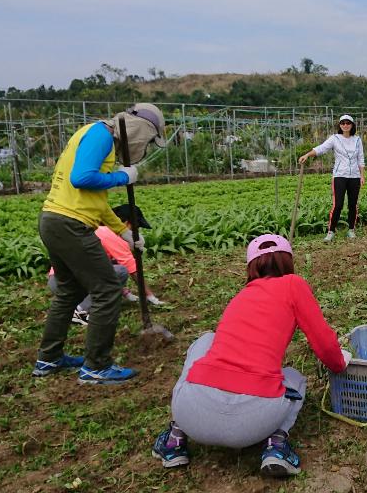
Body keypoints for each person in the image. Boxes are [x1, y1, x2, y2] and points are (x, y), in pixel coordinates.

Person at [152, 234, 350, 477]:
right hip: (254, 422)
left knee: (205, 341)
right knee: (294, 378)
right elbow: (325, 344)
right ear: (288, 262)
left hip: (192, 415)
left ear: (251, 266)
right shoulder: (293, 284)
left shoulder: (241, 296)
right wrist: (340, 364)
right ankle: (276, 445)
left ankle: (175, 439)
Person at [33, 103, 166, 385]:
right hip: (70, 225)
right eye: (149, 140)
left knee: (69, 291)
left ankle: (49, 358)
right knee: (107, 288)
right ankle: (97, 366)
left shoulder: (97, 136)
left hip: (54, 221)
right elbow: (81, 178)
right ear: (141, 131)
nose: (146, 147)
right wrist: (121, 177)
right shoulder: (101, 135)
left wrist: (125, 233)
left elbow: (98, 202)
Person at [46, 204, 163, 327]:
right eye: (136, 227)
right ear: (127, 223)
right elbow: (132, 269)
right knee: (121, 271)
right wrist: (150, 296)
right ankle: (80, 310)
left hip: (59, 281)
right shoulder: (110, 234)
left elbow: (103, 267)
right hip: (70, 282)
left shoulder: (95, 229)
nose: (135, 232)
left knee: (111, 266)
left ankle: (77, 304)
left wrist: (125, 293)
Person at [298, 114, 366, 242]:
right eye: (343, 123)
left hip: (354, 176)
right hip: (339, 175)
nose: (345, 125)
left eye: (348, 123)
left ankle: (351, 230)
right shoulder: (335, 138)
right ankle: (331, 231)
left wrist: (362, 175)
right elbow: (321, 149)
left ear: (352, 125)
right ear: (339, 125)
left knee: (353, 204)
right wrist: (307, 155)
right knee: (338, 204)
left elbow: (361, 158)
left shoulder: (357, 140)